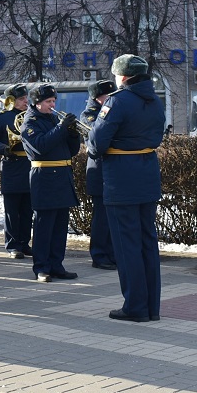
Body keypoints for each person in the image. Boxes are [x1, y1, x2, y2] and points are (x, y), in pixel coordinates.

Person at [86, 55, 165, 323]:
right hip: (147, 174)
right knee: (147, 242)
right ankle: (151, 307)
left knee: (126, 245)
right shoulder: (155, 101)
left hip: (122, 178)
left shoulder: (116, 100)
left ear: (123, 76)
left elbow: (97, 143)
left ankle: (134, 306)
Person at [20, 84, 80, 283]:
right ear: (36, 103)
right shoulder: (30, 121)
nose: (52, 105)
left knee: (60, 225)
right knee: (44, 226)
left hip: (62, 175)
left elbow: (70, 151)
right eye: (48, 102)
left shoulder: (54, 119)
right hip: (44, 176)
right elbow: (40, 147)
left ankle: (57, 265)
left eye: (53, 101)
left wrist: (72, 133)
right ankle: (42, 267)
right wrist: (62, 128)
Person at [0, 83, 33, 259]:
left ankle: (24, 242)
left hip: (30, 164)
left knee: (28, 208)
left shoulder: (30, 116)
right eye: (21, 99)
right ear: (11, 100)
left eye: (26, 98)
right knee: (12, 209)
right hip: (12, 164)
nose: (25, 101)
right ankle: (13, 244)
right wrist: (4, 149)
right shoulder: (2, 118)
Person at [80, 79, 118, 271]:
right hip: (99, 171)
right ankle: (99, 255)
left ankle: (112, 254)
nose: (110, 99)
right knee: (101, 218)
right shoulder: (89, 115)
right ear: (97, 98)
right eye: (107, 96)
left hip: (113, 172)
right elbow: (98, 139)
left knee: (114, 217)